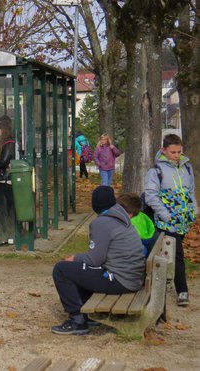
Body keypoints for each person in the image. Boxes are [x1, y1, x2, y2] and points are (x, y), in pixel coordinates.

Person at [51, 186, 145, 335]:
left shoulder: (101, 223)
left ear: (95, 205)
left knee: (61, 269)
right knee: (81, 269)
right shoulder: (120, 216)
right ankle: (84, 312)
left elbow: (94, 260)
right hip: (131, 277)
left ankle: (77, 320)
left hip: (116, 278)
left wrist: (74, 258)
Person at [144, 134, 197, 306]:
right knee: (178, 254)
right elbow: (151, 196)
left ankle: (159, 283)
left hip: (183, 222)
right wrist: (166, 215)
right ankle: (182, 291)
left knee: (168, 254)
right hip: (166, 222)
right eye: (173, 152)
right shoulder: (155, 171)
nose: (176, 155)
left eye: (179, 152)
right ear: (164, 150)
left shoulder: (187, 168)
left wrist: (193, 210)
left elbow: (190, 192)